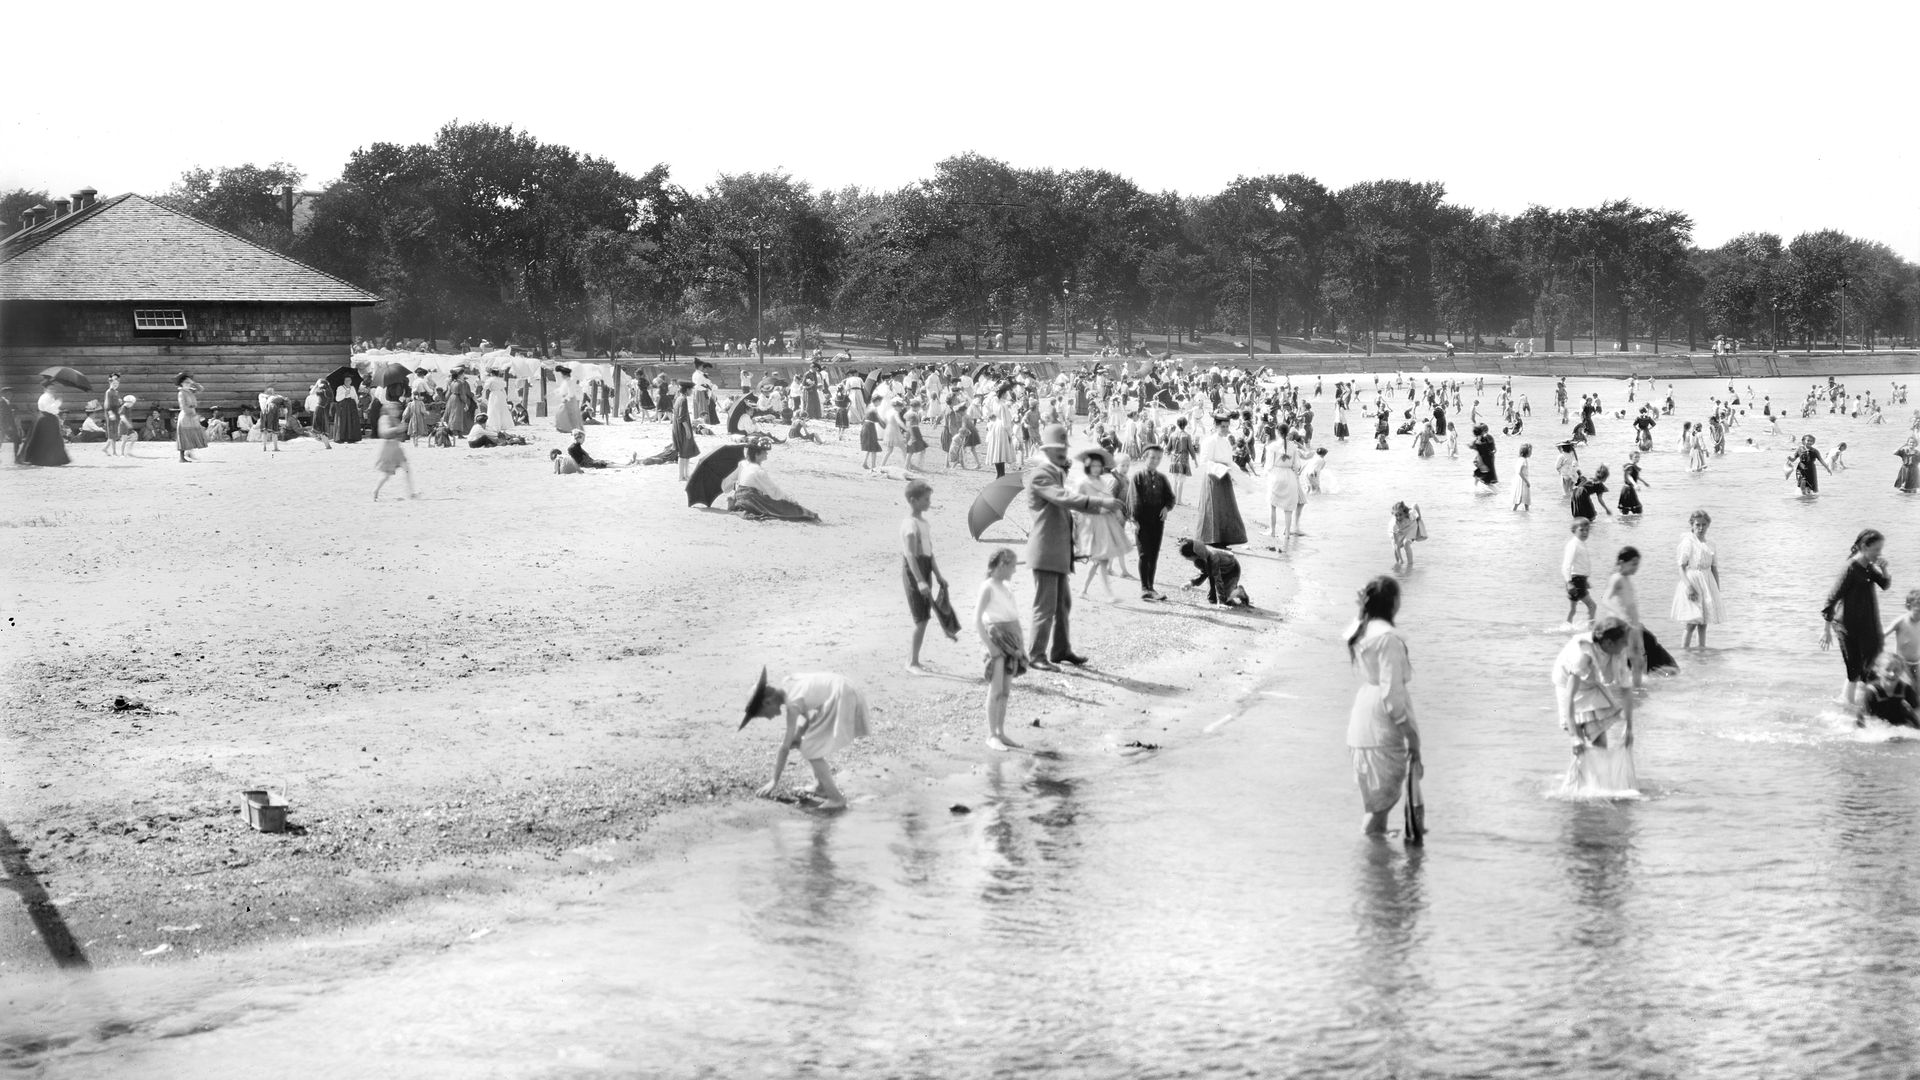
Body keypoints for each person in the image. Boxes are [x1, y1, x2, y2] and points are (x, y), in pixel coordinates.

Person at [1024, 423, 1119, 671]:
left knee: (1063, 604)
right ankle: (1036, 654)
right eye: (1058, 448)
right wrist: (1099, 503)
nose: (1062, 452)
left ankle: (1060, 649)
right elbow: (1065, 499)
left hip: (1056, 551)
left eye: (1064, 448)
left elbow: (1066, 507)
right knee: (1045, 607)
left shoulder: (1056, 475)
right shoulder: (1042, 475)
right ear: (1046, 451)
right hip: (1046, 551)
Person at [1345, 576, 1421, 836]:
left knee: (1376, 805)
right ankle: (1373, 864)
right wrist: (1412, 736)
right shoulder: (1388, 639)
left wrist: (1362, 606)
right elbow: (1392, 694)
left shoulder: (1363, 630)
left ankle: (1377, 852)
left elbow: (1356, 625)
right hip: (1380, 726)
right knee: (1378, 810)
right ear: (1393, 603)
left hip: (1361, 722)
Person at [742, 668, 869, 810]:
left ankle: (836, 798)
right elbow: (808, 714)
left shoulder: (792, 703)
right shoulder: (789, 685)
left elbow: (785, 747)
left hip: (842, 695)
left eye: (765, 715)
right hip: (844, 688)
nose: (769, 718)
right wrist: (799, 734)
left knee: (810, 748)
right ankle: (820, 786)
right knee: (806, 741)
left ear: (767, 703)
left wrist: (774, 780)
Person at [1553, 616, 1637, 795]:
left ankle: (1599, 784)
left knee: (1599, 738)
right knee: (1580, 745)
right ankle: (1580, 785)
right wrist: (1574, 737)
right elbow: (1569, 696)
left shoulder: (1617, 651)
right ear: (1608, 642)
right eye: (1623, 642)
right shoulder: (1582, 654)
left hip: (1592, 683)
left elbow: (1626, 690)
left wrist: (1629, 728)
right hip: (1566, 682)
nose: (1626, 645)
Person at [1820, 528, 1891, 709]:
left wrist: (1884, 569)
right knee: (1854, 670)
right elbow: (1831, 599)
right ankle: (1847, 707)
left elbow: (1884, 584)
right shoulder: (1851, 568)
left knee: (1871, 667)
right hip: (1847, 627)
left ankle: (1865, 706)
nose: (1879, 553)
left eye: (1880, 550)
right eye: (1876, 550)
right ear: (1864, 547)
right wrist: (1826, 629)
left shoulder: (1868, 567)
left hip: (1867, 625)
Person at [974, 548, 1029, 752]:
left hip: (1011, 639)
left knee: (1005, 690)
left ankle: (1000, 731)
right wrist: (991, 647)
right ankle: (991, 735)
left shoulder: (1006, 587)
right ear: (1002, 565)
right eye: (1013, 566)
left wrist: (1021, 646)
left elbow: (1014, 616)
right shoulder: (988, 587)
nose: (1014, 570)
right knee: (995, 689)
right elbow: (977, 619)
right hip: (996, 640)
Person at [901, 479, 957, 673]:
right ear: (913, 500)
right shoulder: (910, 525)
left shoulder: (923, 523)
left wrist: (938, 575)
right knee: (921, 618)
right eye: (925, 499)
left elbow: (929, 552)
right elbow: (910, 555)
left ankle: (914, 659)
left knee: (925, 615)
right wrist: (920, 581)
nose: (929, 503)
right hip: (914, 570)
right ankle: (912, 662)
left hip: (925, 567)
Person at [1074, 446, 1131, 601]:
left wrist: (1116, 510)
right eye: (1093, 466)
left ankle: (1084, 590)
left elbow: (1108, 500)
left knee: (1101, 560)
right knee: (1101, 560)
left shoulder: (1102, 481)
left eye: (1099, 466)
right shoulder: (1082, 483)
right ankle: (1107, 594)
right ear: (1087, 466)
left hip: (1105, 523)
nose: (1096, 469)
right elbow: (1078, 505)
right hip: (1091, 524)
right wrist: (1098, 509)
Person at [1669, 509, 1723, 649]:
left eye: (1704, 525)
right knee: (1691, 622)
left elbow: (1714, 568)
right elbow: (1681, 567)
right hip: (1692, 581)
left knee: (1703, 623)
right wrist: (1688, 587)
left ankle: (1701, 651)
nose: (1701, 528)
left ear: (1708, 526)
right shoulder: (1688, 542)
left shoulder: (1711, 544)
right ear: (1692, 525)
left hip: (1707, 583)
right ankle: (1684, 653)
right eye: (1697, 524)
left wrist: (1716, 590)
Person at [1193, 412, 1247, 549]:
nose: (1225, 429)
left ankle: (1222, 539)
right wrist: (1220, 468)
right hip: (1213, 476)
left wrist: (1238, 475)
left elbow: (1230, 461)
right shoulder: (1209, 441)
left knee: (1226, 508)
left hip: (1224, 478)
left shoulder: (1226, 442)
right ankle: (1211, 539)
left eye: (1227, 426)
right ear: (1216, 426)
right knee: (1213, 508)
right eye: (1222, 426)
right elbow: (1204, 462)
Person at [1130, 443, 1175, 602]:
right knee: (1144, 554)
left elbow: (1170, 497)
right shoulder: (1138, 477)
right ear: (1144, 458)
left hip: (1158, 520)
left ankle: (1151, 587)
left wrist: (1166, 508)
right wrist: (1134, 520)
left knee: (1154, 554)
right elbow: (1134, 500)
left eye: (1158, 458)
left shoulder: (1162, 478)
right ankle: (1144, 588)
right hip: (1142, 520)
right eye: (1152, 457)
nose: (1155, 461)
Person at [1261, 425, 1304, 552]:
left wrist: (1266, 475)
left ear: (1277, 432)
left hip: (1276, 475)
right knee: (1288, 508)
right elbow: (1297, 466)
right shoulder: (1294, 446)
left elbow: (1268, 465)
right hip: (1289, 476)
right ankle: (1287, 534)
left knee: (1272, 505)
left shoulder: (1272, 446)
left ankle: (1272, 531)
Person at [1178, 537, 1250, 606]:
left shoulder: (1213, 558)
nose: (1186, 559)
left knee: (1225, 598)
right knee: (1212, 599)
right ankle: (1228, 592)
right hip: (1215, 572)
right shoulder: (1199, 560)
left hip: (1231, 571)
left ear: (1194, 555)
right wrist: (1191, 582)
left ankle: (1239, 591)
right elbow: (1203, 573)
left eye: (1187, 557)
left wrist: (1221, 602)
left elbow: (1218, 580)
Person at [371, 395, 417, 500]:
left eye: (396, 409)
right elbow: (384, 432)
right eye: (393, 409)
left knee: (406, 469)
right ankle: (376, 490)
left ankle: (411, 492)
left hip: (396, 448)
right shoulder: (384, 418)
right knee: (386, 474)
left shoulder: (394, 419)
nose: (396, 411)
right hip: (389, 449)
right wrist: (398, 429)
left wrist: (400, 430)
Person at [19, 376, 70, 467]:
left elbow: (53, 410)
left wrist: (57, 405)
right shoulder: (46, 397)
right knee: (46, 440)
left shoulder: (49, 396)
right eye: (50, 388)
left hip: (47, 419)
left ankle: (52, 459)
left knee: (51, 440)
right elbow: (49, 409)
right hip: (46, 420)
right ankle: (44, 460)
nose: (53, 390)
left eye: (53, 388)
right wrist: (58, 402)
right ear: (46, 388)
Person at [1563, 519, 1596, 624]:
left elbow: (1580, 565)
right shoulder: (1574, 545)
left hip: (1578, 580)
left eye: (1587, 530)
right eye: (1582, 530)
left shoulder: (1580, 543)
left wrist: (1585, 581)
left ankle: (1567, 626)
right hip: (1575, 580)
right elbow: (1566, 565)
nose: (1585, 533)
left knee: (1573, 609)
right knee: (1592, 606)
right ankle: (1591, 628)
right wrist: (1569, 582)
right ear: (1574, 530)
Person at [173, 373, 209, 462]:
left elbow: (201, 389)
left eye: (189, 382)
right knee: (184, 435)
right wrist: (192, 414)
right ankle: (181, 457)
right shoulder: (181, 393)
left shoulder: (190, 391)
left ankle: (189, 452)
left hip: (192, 414)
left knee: (192, 434)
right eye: (186, 382)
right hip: (186, 416)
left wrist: (194, 383)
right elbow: (183, 406)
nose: (188, 384)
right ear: (181, 383)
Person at [670, 380, 700, 481]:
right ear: (687, 390)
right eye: (691, 390)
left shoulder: (679, 398)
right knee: (684, 453)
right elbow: (682, 417)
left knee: (685, 453)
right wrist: (688, 430)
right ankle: (682, 476)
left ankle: (685, 475)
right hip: (682, 428)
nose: (692, 391)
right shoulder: (683, 400)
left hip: (678, 428)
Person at [1389, 501, 1424, 571]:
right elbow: (1397, 545)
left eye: (1400, 514)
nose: (1398, 517)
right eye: (1396, 515)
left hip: (1410, 528)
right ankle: (1398, 562)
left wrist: (1419, 517)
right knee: (1396, 546)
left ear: (1405, 513)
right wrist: (1401, 559)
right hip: (1398, 531)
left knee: (1406, 543)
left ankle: (1410, 565)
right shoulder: (1394, 524)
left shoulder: (1411, 514)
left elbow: (1415, 504)